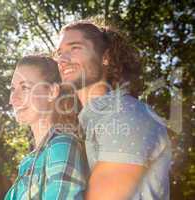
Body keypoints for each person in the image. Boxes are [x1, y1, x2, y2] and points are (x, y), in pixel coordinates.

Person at [54, 20, 172, 200]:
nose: (62, 59)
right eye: (59, 53)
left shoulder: (127, 115)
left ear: (105, 57)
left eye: (74, 48)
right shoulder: (84, 125)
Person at [5, 55, 89, 200]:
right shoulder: (29, 161)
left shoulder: (62, 146)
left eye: (24, 87)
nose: (13, 98)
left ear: (52, 92)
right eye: (13, 89)